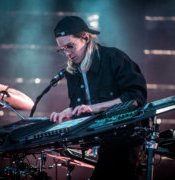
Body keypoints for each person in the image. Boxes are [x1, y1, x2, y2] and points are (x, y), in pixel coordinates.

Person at [50, 16, 147, 180]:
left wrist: (94, 108)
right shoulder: (72, 72)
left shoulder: (113, 57)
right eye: (63, 49)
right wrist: (67, 112)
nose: (67, 53)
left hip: (125, 135)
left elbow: (135, 98)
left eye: (70, 46)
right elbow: (77, 106)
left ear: (86, 38)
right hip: (100, 139)